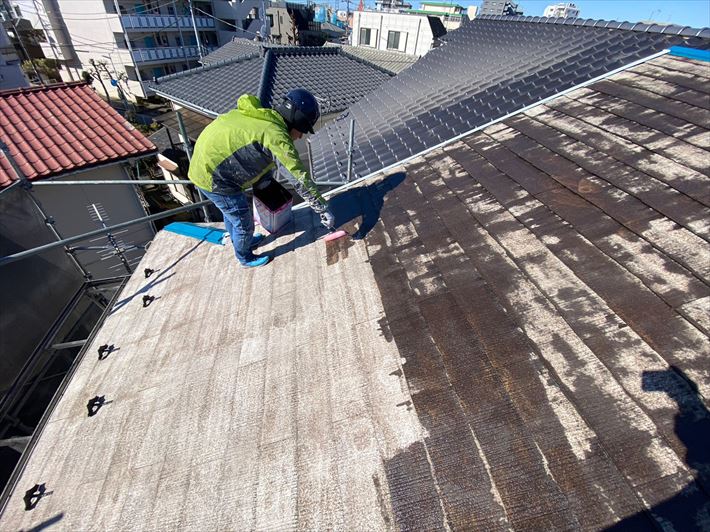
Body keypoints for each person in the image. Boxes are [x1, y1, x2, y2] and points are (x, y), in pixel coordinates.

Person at [188, 89, 335, 267]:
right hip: (213, 177)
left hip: (207, 167)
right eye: (301, 130)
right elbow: (298, 177)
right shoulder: (275, 135)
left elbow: (256, 155)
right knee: (243, 221)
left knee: (231, 213)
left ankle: (242, 241)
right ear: (295, 122)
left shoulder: (264, 118)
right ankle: (244, 257)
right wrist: (321, 208)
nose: (301, 136)